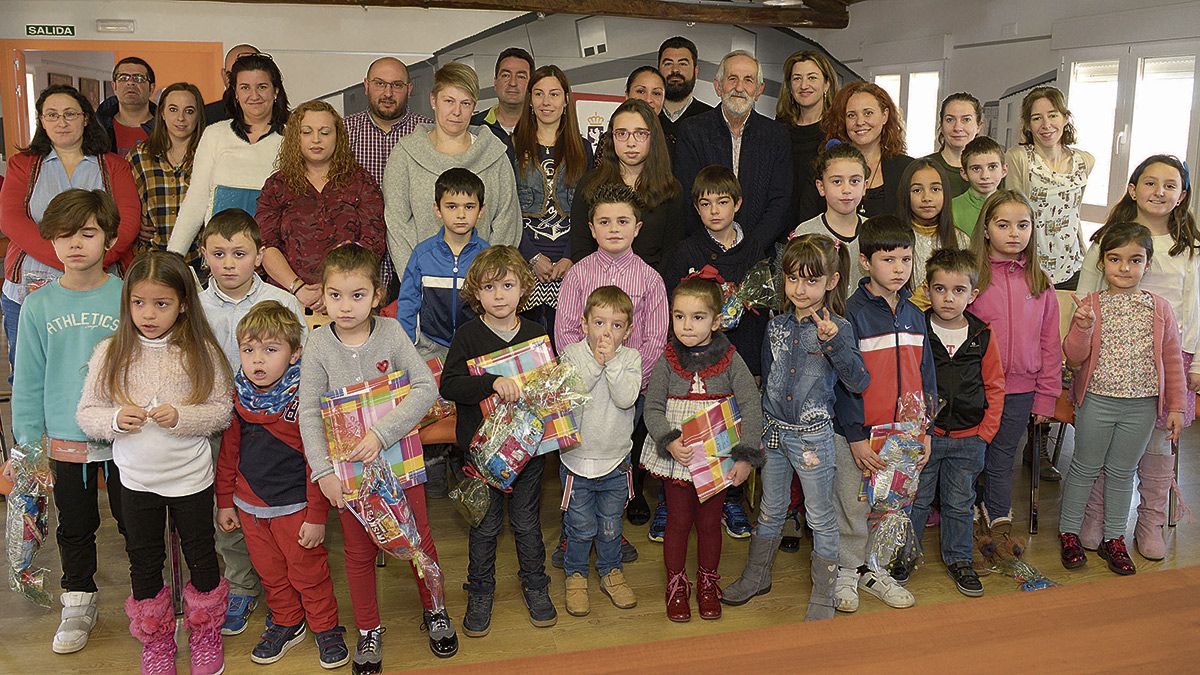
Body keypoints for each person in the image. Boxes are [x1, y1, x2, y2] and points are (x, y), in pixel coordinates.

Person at [298, 243, 457, 667]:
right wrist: (322, 474)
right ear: (323, 295)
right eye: (334, 295)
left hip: (400, 462)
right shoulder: (317, 346)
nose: (345, 306)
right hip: (348, 475)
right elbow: (309, 415)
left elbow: (425, 389)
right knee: (359, 551)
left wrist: (382, 433)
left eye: (357, 295)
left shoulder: (390, 333)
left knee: (418, 539)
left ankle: (436, 608)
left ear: (376, 295)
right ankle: (368, 629)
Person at [76, 250, 234, 675]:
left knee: (202, 556)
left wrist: (183, 417)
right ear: (127, 303)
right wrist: (113, 419)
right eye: (139, 303)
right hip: (136, 482)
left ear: (183, 303)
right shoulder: (110, 352)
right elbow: (87, 413)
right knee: (143, 560)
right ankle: (157, 638)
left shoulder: (201, 351)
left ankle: (204, 631)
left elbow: (221, 410)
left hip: (191, 480)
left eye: (161, 304)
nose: (148, 314)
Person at [721, 234, 867, 620]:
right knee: (770, 509)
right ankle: (757, 576)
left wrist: (834, 345)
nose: (800, 289)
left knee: (820, 516)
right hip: (774, 434)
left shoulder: (839, 328)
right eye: (792, 279)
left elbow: (858, 382)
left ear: (831, 282)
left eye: (811, 280)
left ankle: (824, 592)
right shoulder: (776, 326)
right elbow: (769, 379)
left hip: (814, 439)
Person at [9, 189, 126, 655]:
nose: (75, 243)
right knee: (74, 526)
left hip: (124, 434)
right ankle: (78, 600)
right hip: (63, 437)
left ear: (109, 238)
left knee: (133, 519)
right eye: (63, 235)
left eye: (87, 233)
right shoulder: (39, 305)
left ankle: (149, 596)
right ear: (50, 242)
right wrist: (29, 445)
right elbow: (29, 380)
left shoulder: (127, 296)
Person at [1076, 155, 1199, 560]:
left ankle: (1148, 522)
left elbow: (1194, 306)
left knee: (1157, 449)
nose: (1159, 191)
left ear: (1182, 196)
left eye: (1169, 185)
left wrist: (1194, 361)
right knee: (1103, 449)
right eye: (1150, 182)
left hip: (1168, 362)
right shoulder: (1106, 240)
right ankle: (1094, 519)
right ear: (1133, 189)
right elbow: (1086, 300)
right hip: (1110, 363)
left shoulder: (1190, 248)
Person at [215, 302, 348, 669]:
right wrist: (225, 501)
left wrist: (316, 516)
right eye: (249, 349)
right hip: (250, 508)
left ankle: (326, 626)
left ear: (295, 354)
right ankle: (288, 622)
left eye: (270, 350)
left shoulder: (304, 400)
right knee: (271, 574)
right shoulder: (239, 396)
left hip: (296, 508)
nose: (257, 360)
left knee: (308, 572)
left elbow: (316, 463)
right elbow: (229, 454)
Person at [440, 246, 557, 638]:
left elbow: (550, 387)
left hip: (526, 454)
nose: (500, 295)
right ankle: (480, 590)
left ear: (523, 288)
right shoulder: (468, 337)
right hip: (482, 456)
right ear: (477, 294)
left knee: (526, 524)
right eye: (489, 287)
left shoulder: (536, 334)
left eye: (508, 285)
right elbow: (450, 384)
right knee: (486, 527)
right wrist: (491, 382)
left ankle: (536, 585)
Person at [1059, 222, 1186, 576]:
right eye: (1115, 259)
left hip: (1142, 406)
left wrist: (1176, 406)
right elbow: (1073, 357)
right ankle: (1069, 533)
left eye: (1135, 260)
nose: (1125, 268)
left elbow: (1173, 362)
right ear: (1103, 263)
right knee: (1085, 468)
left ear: (1147, 264)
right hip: (1097, 401)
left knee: (1122, 472)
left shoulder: (1159, 308)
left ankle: (1114, 537)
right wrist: (1082, 326)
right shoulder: (1092, 305)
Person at [642, 276, 764, 622]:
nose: (686, 325)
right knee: (678, 522)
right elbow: (652, 408)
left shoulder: (730, 359)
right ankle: (676, 583)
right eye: (679, 316)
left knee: (710, 523)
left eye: (697, 317)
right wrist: (669, 440)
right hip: (679, 455)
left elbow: (751, 407)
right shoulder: (667, 360)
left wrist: (745, 456)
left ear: (716, 320)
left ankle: (708, 582)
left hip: (718, 455)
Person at [831, 215, 935, 614]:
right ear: (865, 262)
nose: (898, 268)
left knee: (890, 505)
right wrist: (855, 435)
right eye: (888, 259)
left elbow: (926, 377)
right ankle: (846, 570)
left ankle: (875, 569)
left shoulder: (915, 314)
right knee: (853, 504)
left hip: (904, 434)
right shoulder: (851, 314)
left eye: (906, 259)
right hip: (858, 435)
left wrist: (924, 430)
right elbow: (843, 381)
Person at [0, 84, 140, 373]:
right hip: (30, 288)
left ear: (85, 118)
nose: (61, 122)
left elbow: (127, 221)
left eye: (69, 114)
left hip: (101, 284)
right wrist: (66, 258)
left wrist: (95, 257)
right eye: (52, 115)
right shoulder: (22, 165)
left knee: (102, 370)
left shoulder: (113, 166)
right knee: (30, 373)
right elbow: (11, 219)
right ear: (41, 121)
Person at [558, 183, 670, 526]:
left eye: (623, 221)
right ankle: (576, 512)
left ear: (637, 228)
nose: (614, 229)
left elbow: (654, 338)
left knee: (624, 443)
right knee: (586, 444)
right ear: (591, 229)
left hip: (628, 385)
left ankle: (625, 494)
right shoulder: (578, 274)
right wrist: (588, 370)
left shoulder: (650, 280)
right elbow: (565, 331)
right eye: (604, 222)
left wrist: (632, 380)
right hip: (584, 385)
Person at [966, 190, 1061, 554]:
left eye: (1023, 225)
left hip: (1021, 389)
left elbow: (1049, 342)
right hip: (976, 388)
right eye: (1003, 224)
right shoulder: (973, 277)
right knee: (973, 452)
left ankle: (999, 514)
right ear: (987, 229)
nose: (1014, 233)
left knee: (1003, 454)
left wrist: (1047, 395)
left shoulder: (1040, 282)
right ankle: (969, 510)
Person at [907, 248, 1005, 597]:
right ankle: (905, 554)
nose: (948, 298)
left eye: (958, 290)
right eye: (940, 289)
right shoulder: (916, 328)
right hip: (925, 438)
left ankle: (960, 558)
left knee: (958, 502)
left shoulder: (983, 335)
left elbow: (995, 385)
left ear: (972, 294)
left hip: (969, 438)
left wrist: (985, 433)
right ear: (927, 289)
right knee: (917, 499)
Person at [383, 62, 521, 275]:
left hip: (484, 284)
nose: (457, 112)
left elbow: (506, 223)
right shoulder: (405, 155)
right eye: (449, 101)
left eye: (466, 103)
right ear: (433, 100)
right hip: (424, 283)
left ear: (474, 106)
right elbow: (397, 226)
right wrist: (417, 280)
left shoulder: (494, 155)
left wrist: (488, 279)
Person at [558, 286, 642, 617]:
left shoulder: (631, 358)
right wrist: (596, 361)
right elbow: (574, 391)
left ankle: (611, 571)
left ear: (629, 330)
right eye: (599, 323)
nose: (607, 332)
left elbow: (625, 399)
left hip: (616, 462)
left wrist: (612, 363)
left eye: (617, 325)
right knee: (580, 527)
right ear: (584, 324)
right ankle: (575, 574)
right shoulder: (571, 353)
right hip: (576, 461)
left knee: (610, 525)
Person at [257, 100, 387, 315]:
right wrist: (298, 288)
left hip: (350, 302)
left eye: (325, 132)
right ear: (295, 137)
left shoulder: (361, 182)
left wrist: (335, 293)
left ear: (338, 137)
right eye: (307, 132)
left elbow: (373, 243)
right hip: (286, 301)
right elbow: (266, 246)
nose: (316, 139)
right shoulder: (277, 185)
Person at [169, 52, 288, 258]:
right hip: (221, 257)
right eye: (245, 88)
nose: (254, 95)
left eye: (262, 86)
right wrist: (173, 255)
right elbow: (196, 200)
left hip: (272, 260)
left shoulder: (291, 138)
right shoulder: (215, 134)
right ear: (235, 93)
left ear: (275, 91)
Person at [674, 50, 793, 255]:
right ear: (718, 86)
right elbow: (686, 198)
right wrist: (714, 246)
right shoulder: (692, 131)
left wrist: (751, 247)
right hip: (704, 253)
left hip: (759, 254)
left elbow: (780, 202)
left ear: (759, 89)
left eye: (748, 80)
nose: (739, 87)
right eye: (732, 79)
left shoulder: (777, 136)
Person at [511, 65, 593, 339]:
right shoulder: (511, 146)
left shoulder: (583, 149)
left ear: (566, 100)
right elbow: (506, 209)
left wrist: (570, 257)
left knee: (567, 342)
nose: (546, 102)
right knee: (528, 347)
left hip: (570, 262)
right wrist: (532, 257)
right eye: (539, 94)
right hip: (523, 262)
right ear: (530, 100)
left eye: (554, 94)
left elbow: (588, 210)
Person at [345, 57, 433, 300]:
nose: (388, 93)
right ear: (366, 86)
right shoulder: (343, 133)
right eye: (379, 84)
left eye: (396, 85)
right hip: (358, 253)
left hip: (415, 248)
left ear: (409, 88)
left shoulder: (428, 134)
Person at [569, 99, 685, 274]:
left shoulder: (670, 190)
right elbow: (581, 248)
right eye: (622, 134)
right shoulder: (590, 185)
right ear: (611, 137)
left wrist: (649, 287)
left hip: (651, 288)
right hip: (598, 289)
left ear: (652, 137)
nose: (631, 142)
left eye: (640, 134)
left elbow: (672, 253)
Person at [197, 208, 307, 389]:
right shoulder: (196, 307)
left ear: (259, 256)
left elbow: (301, 361)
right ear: (205, 255)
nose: (228, 264)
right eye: (218, 254)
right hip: (211, 404)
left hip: (271, 407)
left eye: (239, 254)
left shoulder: (284, 302)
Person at [1005, 85, 1095, 289]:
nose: (1046, 124)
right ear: (1028, 125)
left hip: (1073, 264)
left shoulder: (1085, 161)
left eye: (1053, 115)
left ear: (1065, 118)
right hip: (1031, 265)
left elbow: (1074, 213)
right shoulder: (1018, 158)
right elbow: (1013, 214)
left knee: (1069, 321)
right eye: (1037, 118)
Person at [396, 168, 488, 360]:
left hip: (475, 346)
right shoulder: (423, 254)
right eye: (452, 206)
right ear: (437, 210)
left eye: (469, 207)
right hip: (429, 346)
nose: (461, 214)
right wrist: (405, 348)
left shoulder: (487, 256)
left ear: (481, 210)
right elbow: (408, 302)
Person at [127, 82, 206, 270]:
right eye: (173, 109)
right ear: (161, 113)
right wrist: (134, 224)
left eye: (189, 111)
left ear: (198, 116)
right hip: (151, 260)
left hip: (200, 263)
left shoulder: (209, 154)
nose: (180, 118)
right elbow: (124, 205)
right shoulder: (139, 156)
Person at [823, 82, 913, 218]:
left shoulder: (907, 169)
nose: (860, 122)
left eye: (868, 113)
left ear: (885, 115)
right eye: (851, 115)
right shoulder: (825, 167)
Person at [791, 143, 869, 290]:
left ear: (864, 187)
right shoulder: (806, 233)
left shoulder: (875, 231)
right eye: (837, 181)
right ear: (821, 187)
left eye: (854, 181)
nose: (846, 190)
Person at [776, 50, 840, 224]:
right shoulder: (779, 128)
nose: (804, 85)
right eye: (797, 78)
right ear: (789, 86)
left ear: (826, 84)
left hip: (822, 232)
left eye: (812, 78)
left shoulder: (838, 130)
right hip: (781, 231)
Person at [896, 158, 969, 310]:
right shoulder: (894, 238)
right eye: (917, 190)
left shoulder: (962, 240)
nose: (926, 198)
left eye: (935, 189)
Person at [657, 36, 712, 155]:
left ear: (695, 71)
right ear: (658, 70)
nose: (675, 70)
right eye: (668, 64)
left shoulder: (712, 120)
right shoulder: (643, 118)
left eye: (683, 64)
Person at [470, 47, 534, 149]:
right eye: (506, 75)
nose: (513, 83)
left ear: (531, 84)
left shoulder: (543, 124)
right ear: (495, 82)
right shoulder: (473, 126)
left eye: (521, 76)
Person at [924, 93, 983, 198]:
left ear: (979, 126)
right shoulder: (924, 167)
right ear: (941, 125)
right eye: (950, 120)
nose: (957, 127)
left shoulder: (992, 171)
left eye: (966, 119)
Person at [96, 57, 157, 156]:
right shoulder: (99, 128)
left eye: (139, 78)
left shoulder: (165, 128)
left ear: (151, 88)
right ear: (114, 86)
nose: (131, 82)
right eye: (123, 78)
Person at [951, 135, 1007, 237]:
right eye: (976, 169)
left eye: (992, 167)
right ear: (964, 173)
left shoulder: (1014, 208)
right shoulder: (951, 209)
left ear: (1004, 170)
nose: (985, 176)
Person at [204, 44, 260, 124]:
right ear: (224, 75)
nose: (237, 81)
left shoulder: (281, 119)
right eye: (231, 75)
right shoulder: (204, 117)